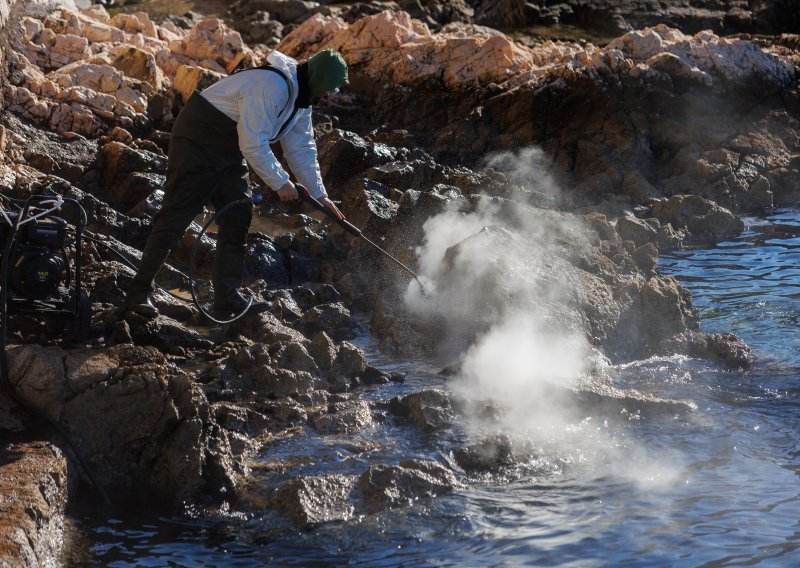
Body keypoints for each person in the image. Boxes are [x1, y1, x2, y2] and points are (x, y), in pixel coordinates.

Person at [124, 48, 348, 318]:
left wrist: (319, 195)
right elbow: (253, 142)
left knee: (238, 216)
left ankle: (227, 299)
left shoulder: (302, 99)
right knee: (177, 214)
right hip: (197, 138)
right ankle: (138, 292)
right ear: (319, 79)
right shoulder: (271, 86)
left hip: (229, 150)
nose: (329, 96)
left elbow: (302, 147)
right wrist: (281, 183)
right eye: (329, 89)